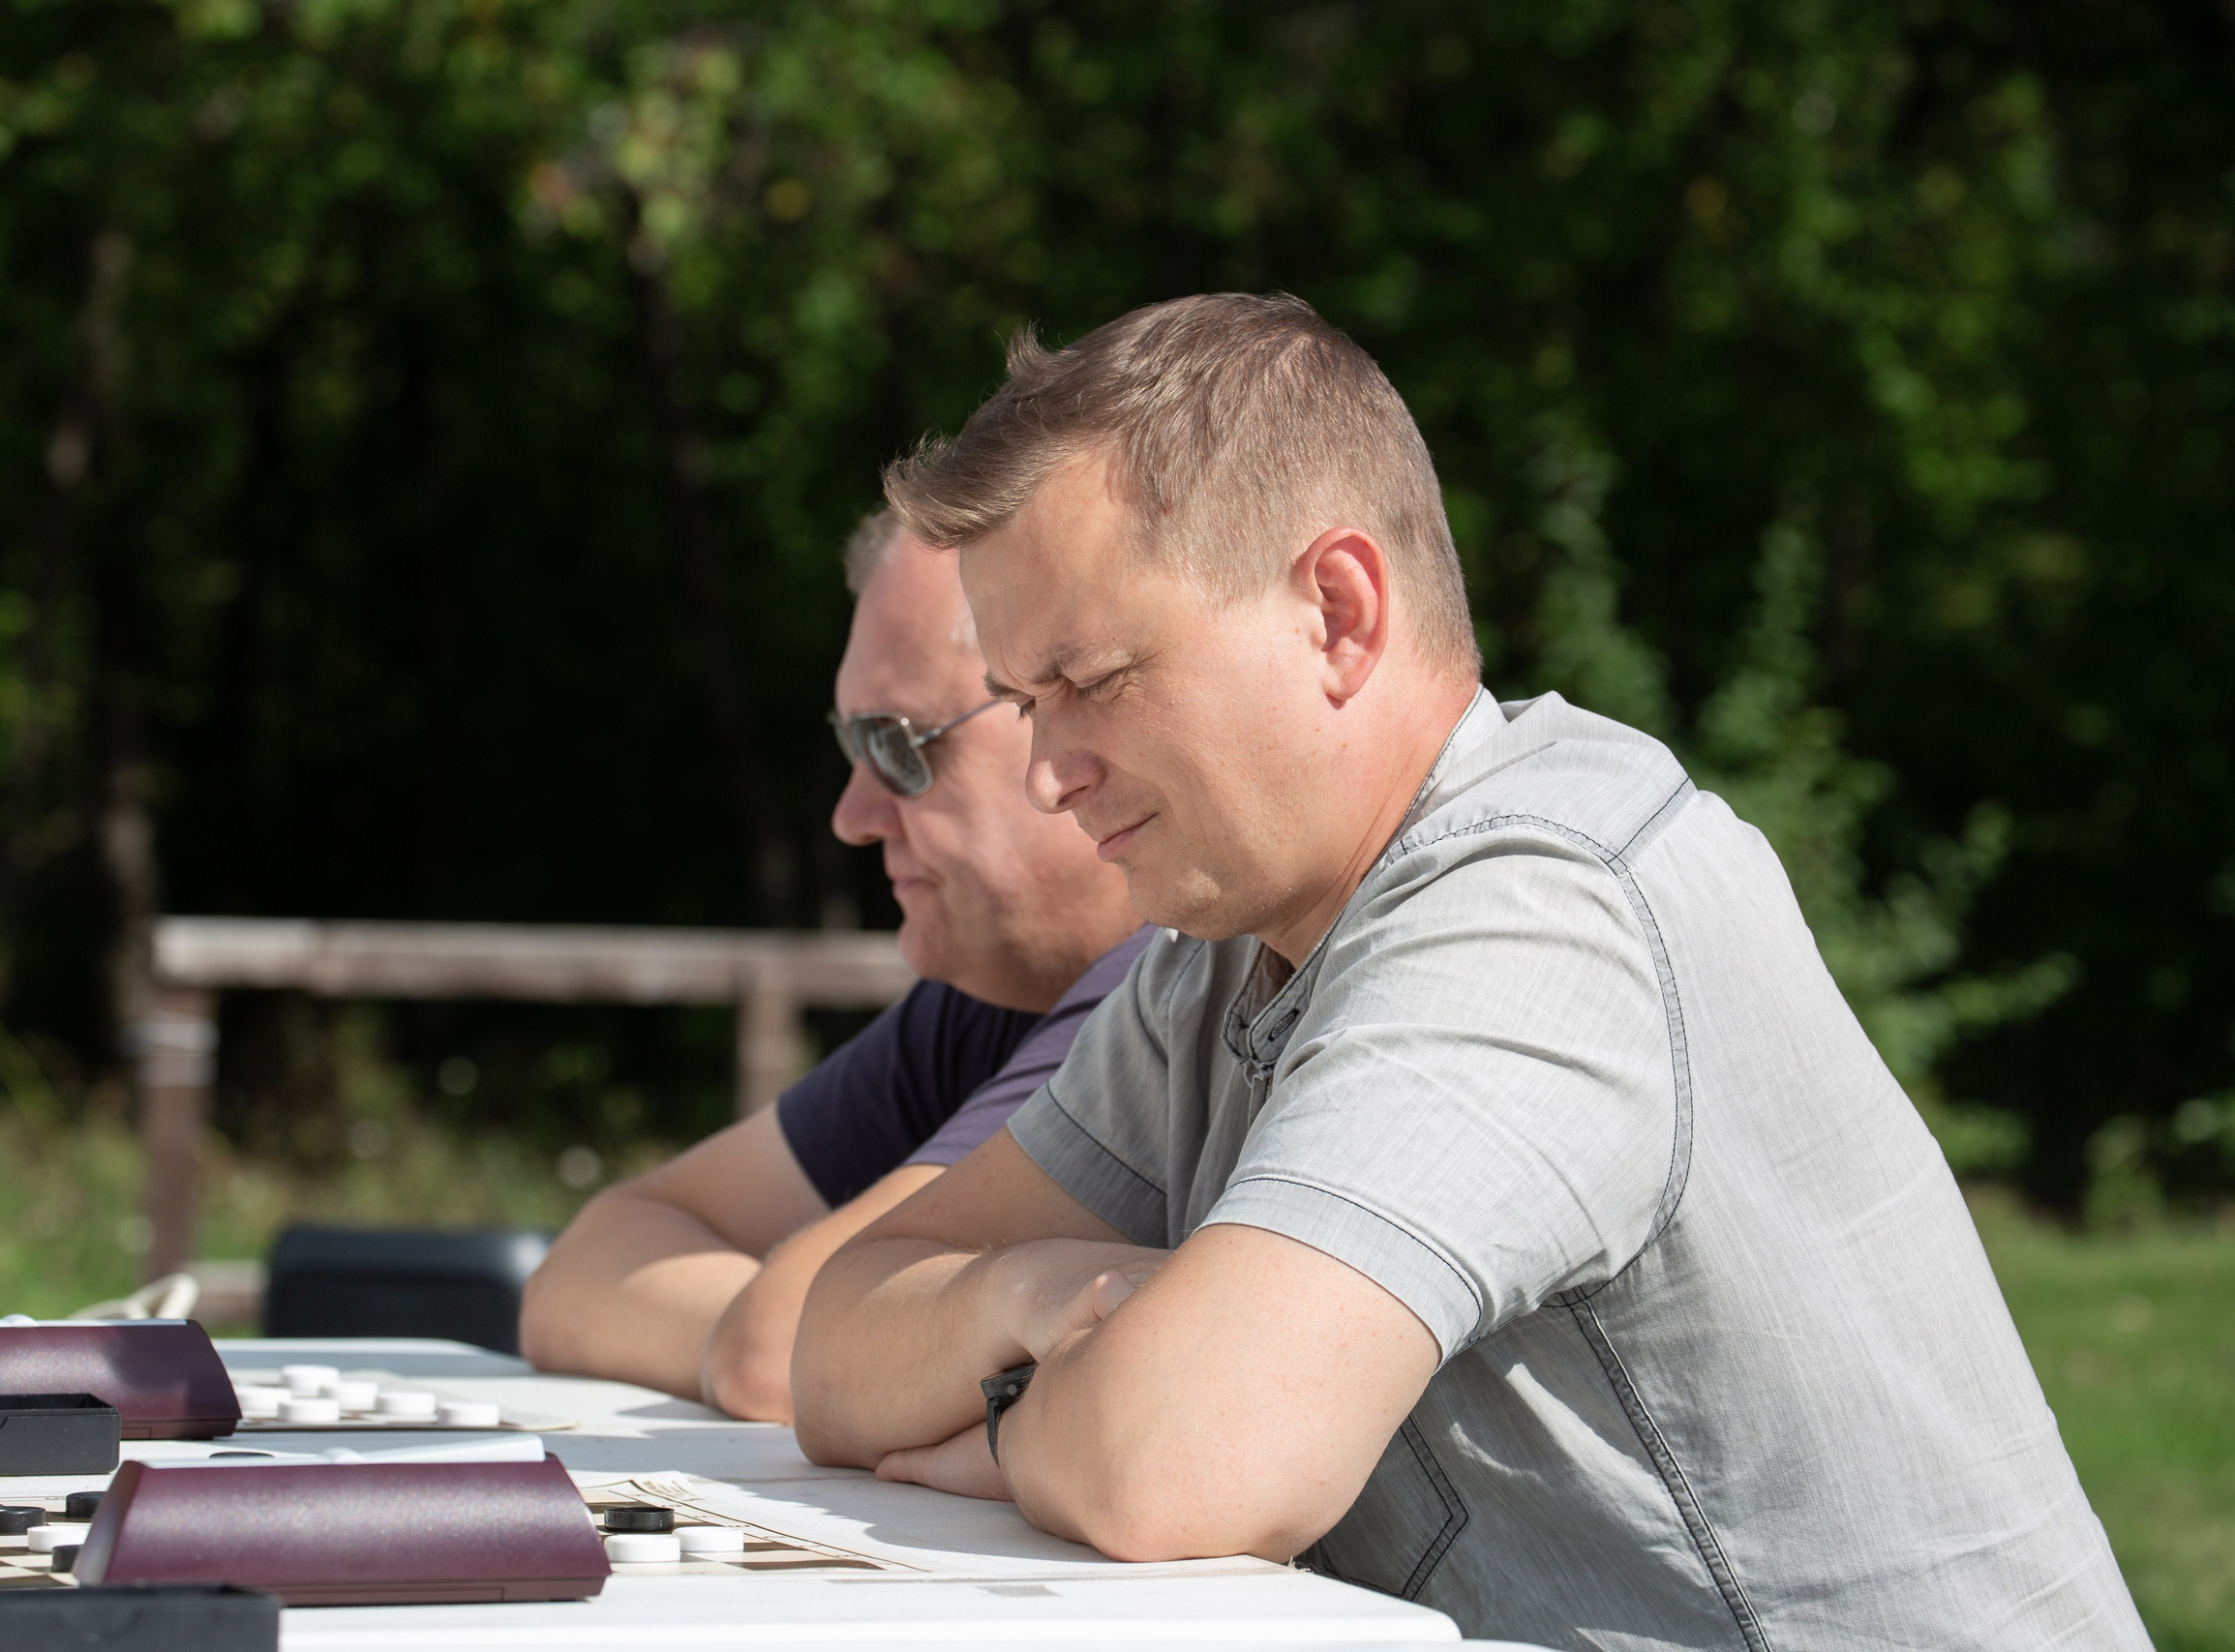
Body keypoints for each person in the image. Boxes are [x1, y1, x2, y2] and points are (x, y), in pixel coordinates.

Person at [789, 294, 2147, 1649]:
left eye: (1091, 679)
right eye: (1026, 701)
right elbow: (831, 1341)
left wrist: (1005, 1415)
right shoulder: (1220, 956)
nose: (1046, 770)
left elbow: (1179, 1456)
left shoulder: (1540, 904)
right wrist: (1033, 1298)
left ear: (1337, 612)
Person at [518, 512, 1147, 1423]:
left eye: (900, 743)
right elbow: (584, 1270)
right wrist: (769, 1333)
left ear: (1067, 712)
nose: (853, 815)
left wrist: (804, 1336)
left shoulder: (1157, 977)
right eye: (855, 745)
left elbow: (783, 1349)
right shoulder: (987, 1001)